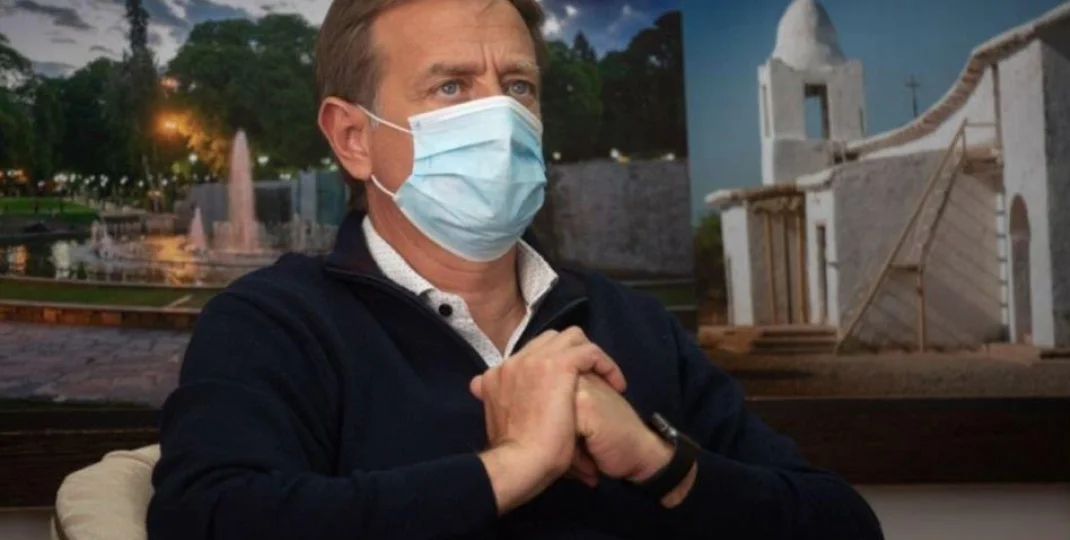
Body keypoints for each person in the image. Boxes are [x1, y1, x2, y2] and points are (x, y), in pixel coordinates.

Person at [147, 0, 884, 539]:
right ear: (353, 138)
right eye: (452, 87)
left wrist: (662, 461)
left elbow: (842, 524)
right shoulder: (273, 324)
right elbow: (207, 521)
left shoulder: (634, 325)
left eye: (519, 86)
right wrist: (511, 466)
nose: (500, 117)